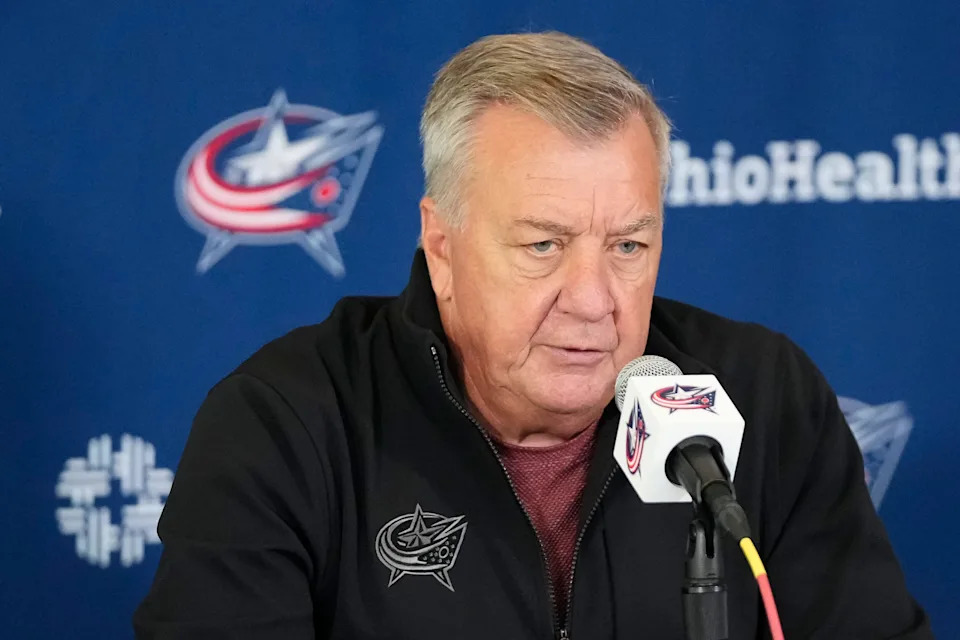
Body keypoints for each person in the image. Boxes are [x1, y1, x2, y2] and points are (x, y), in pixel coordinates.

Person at [133, 32, 932, 639]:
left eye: (628, 246)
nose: (593, 301)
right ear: (442, 248)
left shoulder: (762, 398)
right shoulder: (286, 423)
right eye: (543, 245)